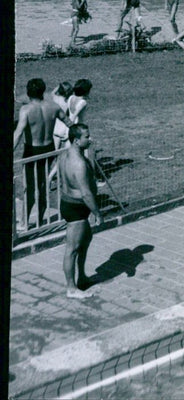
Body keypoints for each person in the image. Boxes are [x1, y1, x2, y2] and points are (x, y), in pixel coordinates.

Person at [58, 123, 103, 299]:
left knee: (85, 240)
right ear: (77, 140)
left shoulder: (64, 155)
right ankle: (71, 288)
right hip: (76, 208)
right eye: (87, 137)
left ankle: (82, 277)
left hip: (71, 204)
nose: (90, 139)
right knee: (73, 248)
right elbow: (86, 193)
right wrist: (98, 214)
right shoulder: (79, 164)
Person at [14, 78, 60, 226]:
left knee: (30, 188)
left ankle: (24, 222)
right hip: (49, 149)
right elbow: (71, 125)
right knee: (43, 186)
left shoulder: (26, 109)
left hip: (32, 151)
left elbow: (19, 132)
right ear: (43, 91)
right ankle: (40, 220)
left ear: (28, 93)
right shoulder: (54, 106)